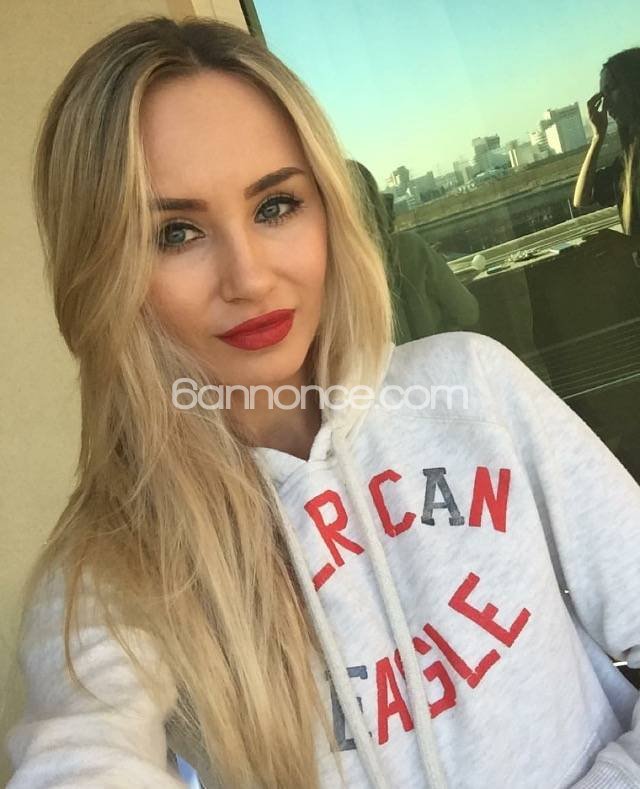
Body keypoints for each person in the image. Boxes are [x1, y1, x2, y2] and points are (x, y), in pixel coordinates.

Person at [5, 16, 640, 789]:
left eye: (275, 206)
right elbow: (80, 757)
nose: (249, 277)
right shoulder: (114, 566)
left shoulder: (475, 388)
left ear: (329, 212)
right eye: (174, 233)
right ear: (104, 271)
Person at [348, 160, 479, 344]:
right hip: (436, 357)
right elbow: (468, 311)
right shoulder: (409, 248)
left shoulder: (335, 280)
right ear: (375, 200)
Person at [573, 48, 640, 236]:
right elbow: (582, 199)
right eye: (603, 96)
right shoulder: (628, 163)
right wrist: (597, 137)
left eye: (611, 90)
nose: (607, 104)